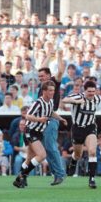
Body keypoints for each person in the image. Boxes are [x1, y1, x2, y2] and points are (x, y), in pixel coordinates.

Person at [13, 81, 67, 188]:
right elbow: (28, 116)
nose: (52, 92)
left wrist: (61, 118)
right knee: (42, 155)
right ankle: (23, 175)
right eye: (50, 90)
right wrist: (39, 119)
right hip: (30, 131)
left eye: (53, 90)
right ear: (44, 91)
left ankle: (19, 180)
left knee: (29, 159)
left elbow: (50, 112)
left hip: (38, 133)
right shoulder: (38, 103)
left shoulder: (50, 101)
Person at [62, 80, 101, 188]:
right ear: (85, 91)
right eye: (89, 92)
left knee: (92, 151)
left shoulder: (97, 99)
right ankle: (73, 161)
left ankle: (92, 179)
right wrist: (74, 101)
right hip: (77, 128)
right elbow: (64, 100)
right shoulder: (78, 97)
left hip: (90, 127)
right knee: (78, 154)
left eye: (93, 91)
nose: (92, 94)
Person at [37, 49, 66, 186]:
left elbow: (61, 71)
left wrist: (59, 56)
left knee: (51, 147)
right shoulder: (43, 86)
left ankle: (60, 174)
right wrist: (48, 56)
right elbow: (42, 68)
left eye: (42, 76)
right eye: (39, 77)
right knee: (47, 149)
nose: (41, 78)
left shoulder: (54, 82)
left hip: (50, 119)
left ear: (49, 75)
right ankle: (57, 174)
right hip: (43, 120)